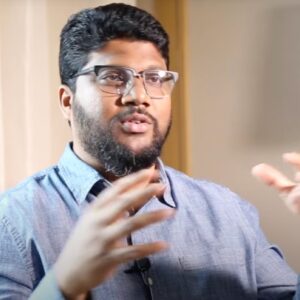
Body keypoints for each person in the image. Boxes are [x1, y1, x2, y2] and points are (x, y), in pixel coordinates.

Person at [0, 3, 298, 299]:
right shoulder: (11, 220)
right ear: (68, 101)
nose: (139, 96)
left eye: (155, 78)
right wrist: (62, 285)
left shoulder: (229, 211)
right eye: (113, 77)